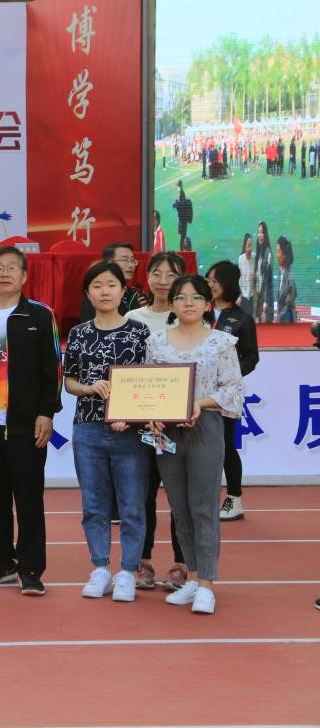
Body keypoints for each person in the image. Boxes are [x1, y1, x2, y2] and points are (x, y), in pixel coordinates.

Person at [0, 246, 62, 596]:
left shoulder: (39, 315)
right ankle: (1, 561)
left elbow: (52, 368)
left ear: (24, 276)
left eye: (12, 268)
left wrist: (47, 411)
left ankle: (31, 568)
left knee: (29, 499)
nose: (5, 274)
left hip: (24, 426)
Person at [146, 274, 244, 614]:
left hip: (206, 429)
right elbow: (147, 386)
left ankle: (207, 584)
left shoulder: (221, 342)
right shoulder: (157, 342)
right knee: (179, 507)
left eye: (196, 297)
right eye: (181, 297)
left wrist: (199, 404)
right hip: (166, 434)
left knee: (203, 507)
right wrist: (151, 415)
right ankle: (191, 576)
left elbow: (233, 389)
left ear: (207, 304)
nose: (188, 303)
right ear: (172, 303)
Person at [64, 262, 151, 602]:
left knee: (132, 505)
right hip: (87, 428)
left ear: (122, 291)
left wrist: (131, 414)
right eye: (97, 285)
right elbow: (70, 381)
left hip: (130, 433)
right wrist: (89, 388)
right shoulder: (79, 333)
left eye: (111, 285)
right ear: (88, 293)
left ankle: (128, 571)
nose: (105, 291)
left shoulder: (140, 332)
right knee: (94, 504)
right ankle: (100, 567)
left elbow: (150, 381)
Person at [126, 251, 189, 590]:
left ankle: (181, 564)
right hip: (142, 425)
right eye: (156, 273)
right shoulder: (132, 318)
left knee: (180, 496)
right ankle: (143, 561)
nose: (163, 281)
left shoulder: (189, 316)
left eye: (171, 274)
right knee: (142, 495)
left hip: (179, 424)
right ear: (146, 277)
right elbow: (126, 370)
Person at [207, 260, 259, 524]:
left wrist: (229, 377)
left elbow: (251, 357)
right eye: (208, 280)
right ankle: (205, 498)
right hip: (197, 394)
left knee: (226, 445)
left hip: (226, 395)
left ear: (227, 283)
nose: (210, 285)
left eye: (214, 281)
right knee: (202, 446)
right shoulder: (199, 313)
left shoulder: (242, 319)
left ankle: (234, 498)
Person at [79, 242, 146, 323]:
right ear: (109, 262)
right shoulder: (97, 297)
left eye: (132, 260)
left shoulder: (134, 294)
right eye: (125, 260)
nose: (131, 265)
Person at [253, 221, 274, 322]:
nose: (260, 235)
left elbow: (267, 281)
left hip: (265, 304)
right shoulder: (259, 253)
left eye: (262, 232)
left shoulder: (268, 254)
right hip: (258, 300)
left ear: (266, 235)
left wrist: (265, 303)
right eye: (258, 232)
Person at [275, 236, 296, 324]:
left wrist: (278, 318)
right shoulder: (282, 273)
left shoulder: (288, 276)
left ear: (284, 255)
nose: (276, 255)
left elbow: (289, 304)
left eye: (278, 252)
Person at [237, 233, 255, 314]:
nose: (250, 249)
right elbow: (239, 279)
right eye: (248, 246)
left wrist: (255, 275)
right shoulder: (241, 259)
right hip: (244, 295)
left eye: (251, 245)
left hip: (252, 295)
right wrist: (239, 296)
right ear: (244, 247)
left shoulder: (255, 257)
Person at [172, 182, 192, 251]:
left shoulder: (182, 200)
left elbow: (179, 206)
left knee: (182, 237)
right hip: (183, 220)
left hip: (183, 221)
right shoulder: (183, 198)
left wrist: (177, 205)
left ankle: (182, 250)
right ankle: (182, 249)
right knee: (182, 236)